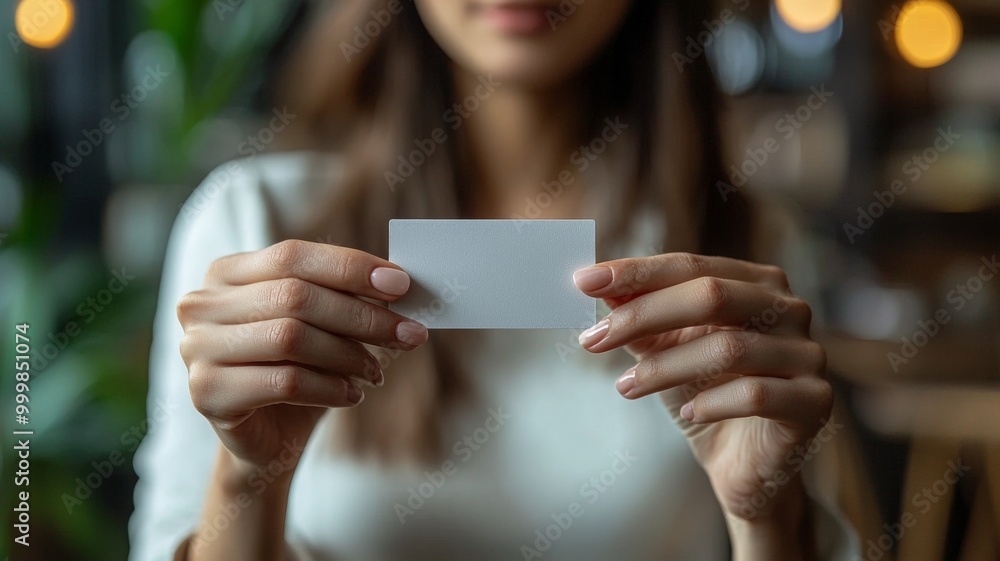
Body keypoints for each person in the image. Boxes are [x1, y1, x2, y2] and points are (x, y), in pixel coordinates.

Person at [129, 1, 859, 559]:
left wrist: (768, 514)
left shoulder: (748, 254)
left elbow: (780, 503)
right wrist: (247, 475)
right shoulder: (252, 223)